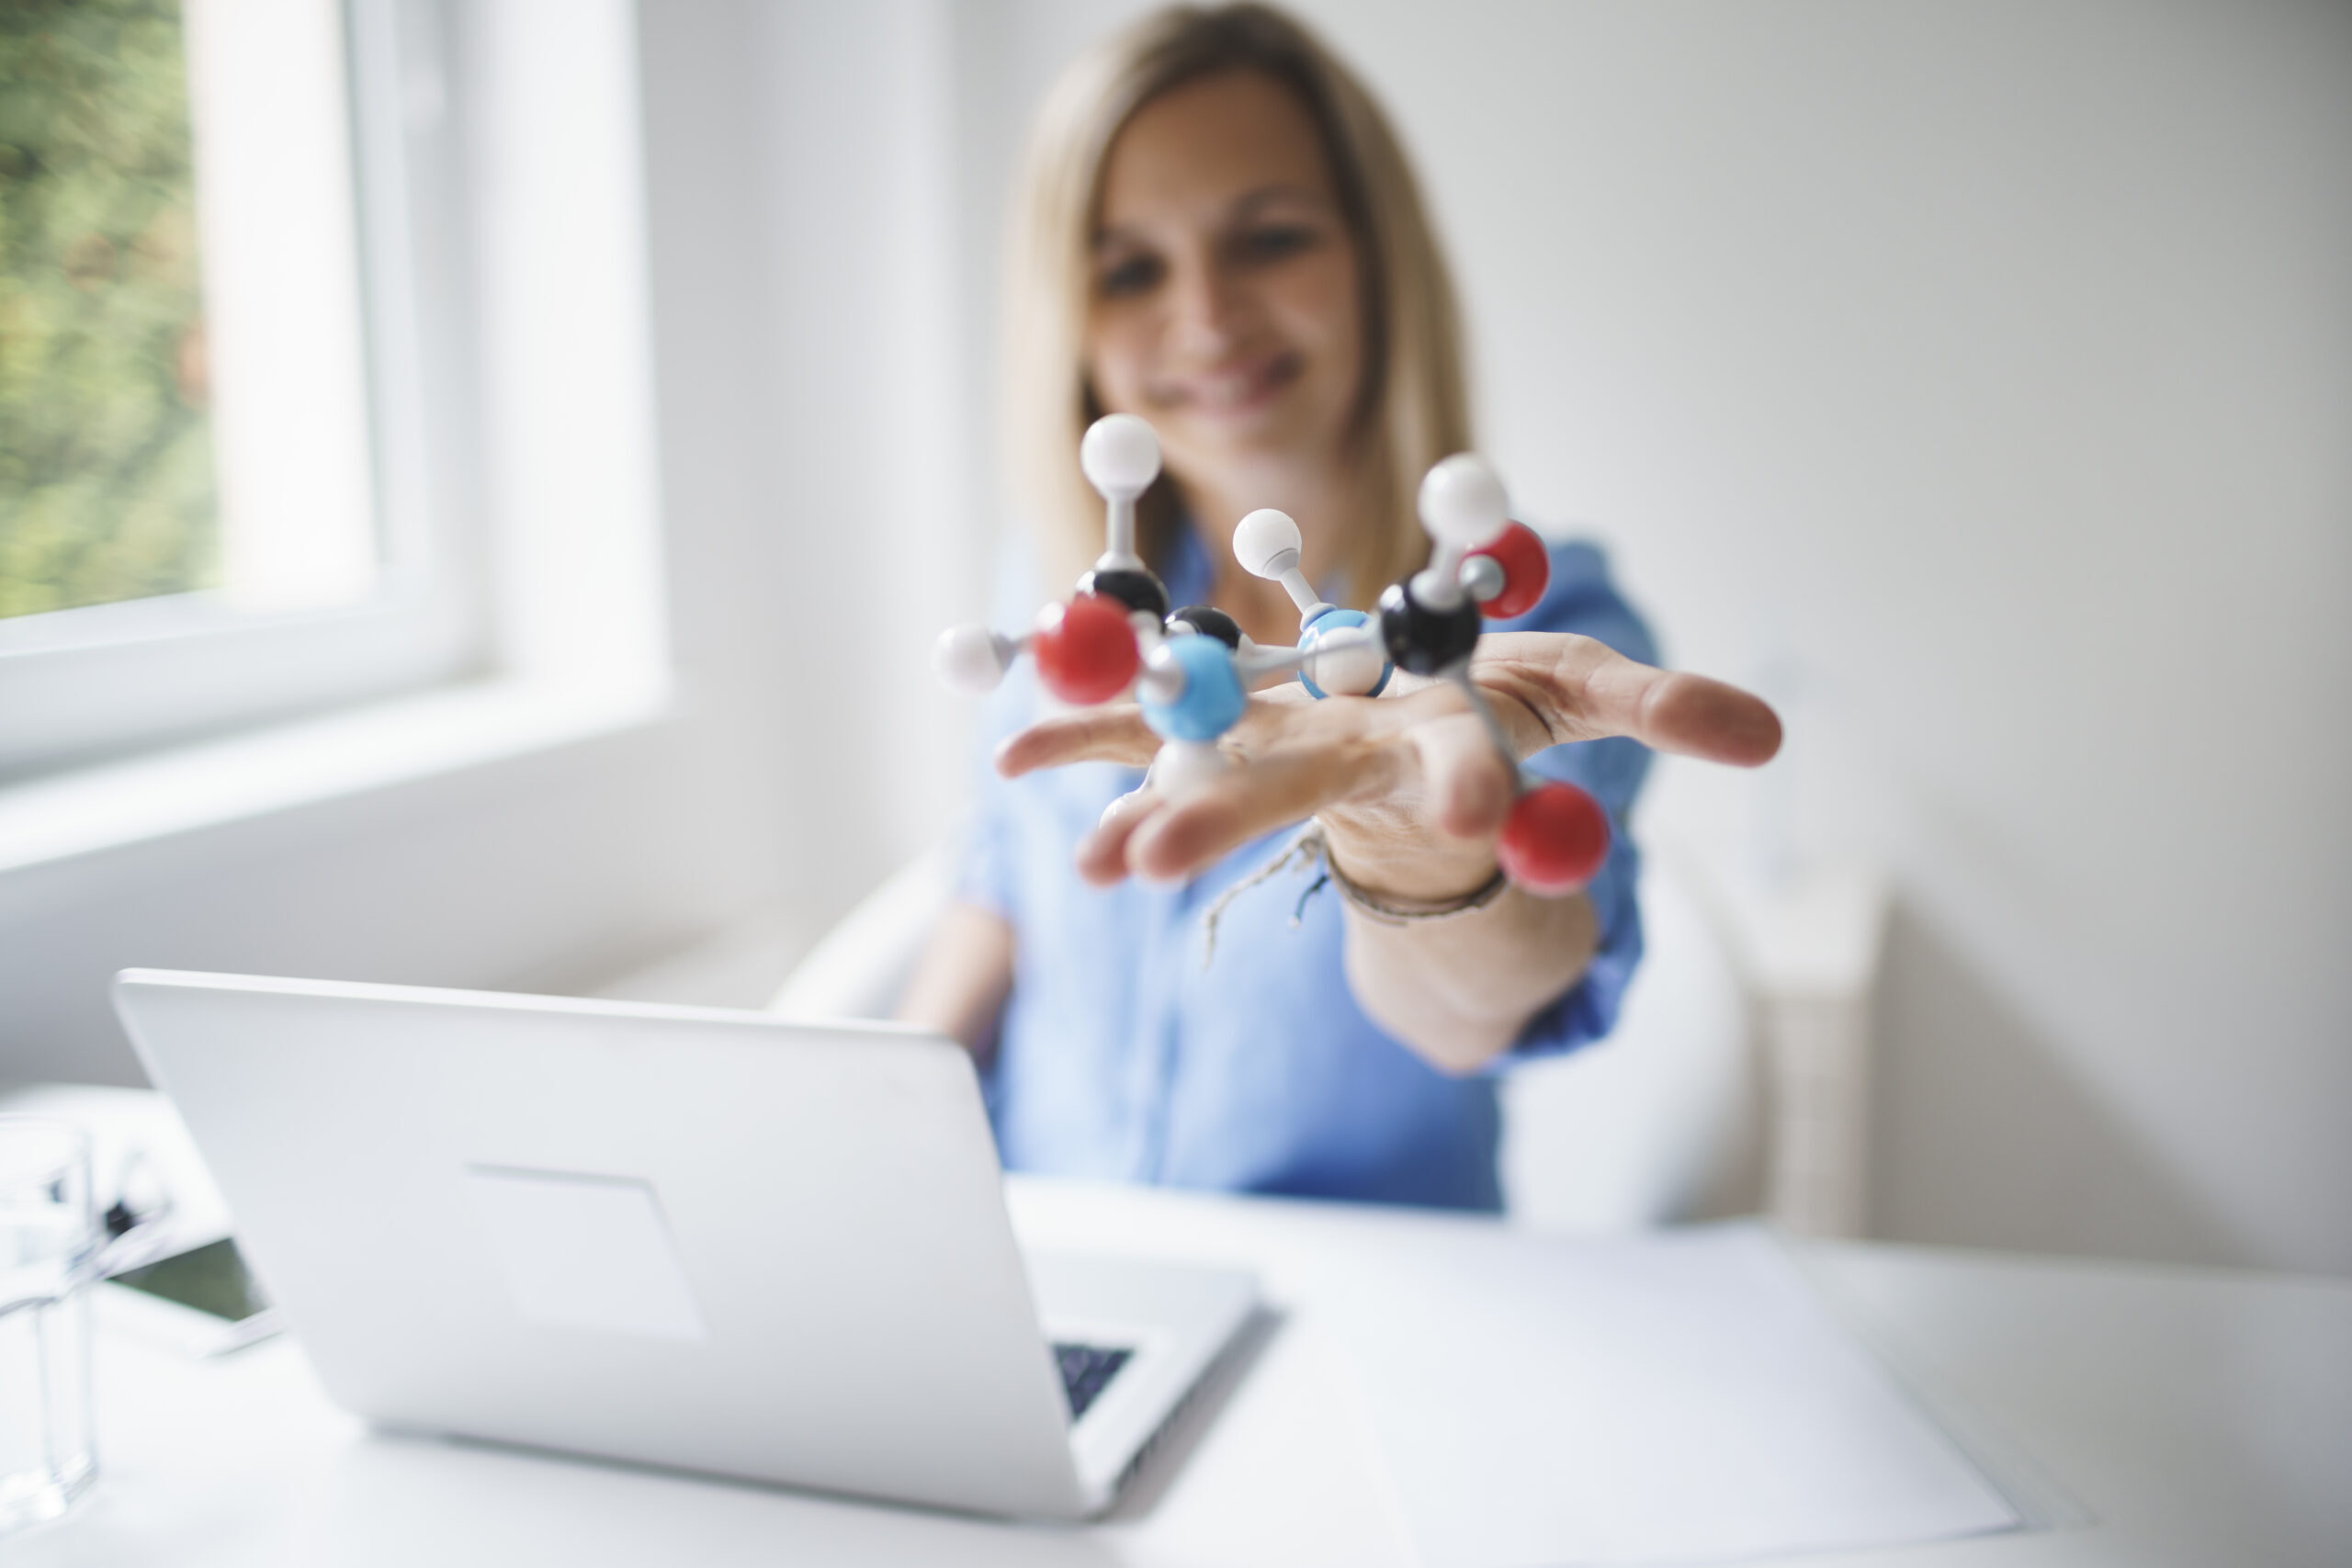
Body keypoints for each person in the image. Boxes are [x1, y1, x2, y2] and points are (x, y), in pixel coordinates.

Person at [898, 4, 1779, 1210]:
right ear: (1073, 322)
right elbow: (1003, 884)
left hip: (1356, 1321)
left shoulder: (1525, 629)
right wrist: (885, 1133)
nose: (1204, 315)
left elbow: (1483, 1007)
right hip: (1046, 1265)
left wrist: (1417, 844)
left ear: (1375, 256)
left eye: (1269, 239)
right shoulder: (1066, 601)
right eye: (1131, 267)